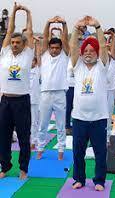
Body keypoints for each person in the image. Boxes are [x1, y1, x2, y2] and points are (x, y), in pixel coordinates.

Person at [69, 16, 109, 190]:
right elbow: (72, 47)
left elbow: (103, 46)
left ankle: (99, 181)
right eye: (86, 50)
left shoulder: (102, 67)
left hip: (99, 118)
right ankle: (79, 179)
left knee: (100, 152)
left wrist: (98, 26)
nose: (88, 53)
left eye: (92, 50)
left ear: (97, 53)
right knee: (78, 152)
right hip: (79, 118)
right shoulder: (77, 67)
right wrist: (76, 28)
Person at [0, 3, 34, 180]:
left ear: (23, 44)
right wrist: (13, 12)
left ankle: (23, 169)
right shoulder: (5, 53)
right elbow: (9, 29)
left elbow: (28, 31)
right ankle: (5, 167)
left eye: (17, 42)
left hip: (21, 101)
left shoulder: (27, 54)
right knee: (3, 137)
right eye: (12, 42)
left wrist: (27, 13)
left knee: (23, 137)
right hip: (5, 101)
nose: (14, 44)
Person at [37, 16, 69, 160]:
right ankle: (40, 148)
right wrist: (48, 22)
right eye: (52, 48)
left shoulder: (64, 55)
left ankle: (61, 150)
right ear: (49, 48)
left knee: (61, 125)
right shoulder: (44, 55)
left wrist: (63, 23)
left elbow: (66, 40)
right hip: (45, 94)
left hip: (60, 94)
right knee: (42, 124)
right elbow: (44, 38)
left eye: (57, 48)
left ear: (60, 48)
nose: (54, 50)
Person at [105, 30, 115, 144]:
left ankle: (107, 136)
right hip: (100, 90)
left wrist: (113, 36)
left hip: (110, 90)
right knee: (99, 113)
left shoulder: (114, 60)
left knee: (109, 113)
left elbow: (113, 50)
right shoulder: (100, 60)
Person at [30, 36, 41, 149]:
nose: (30, 62)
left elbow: (37, 55)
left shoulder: (37, 70)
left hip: (34, 100)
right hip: (23, 99)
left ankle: (34, 141)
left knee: (34, 122)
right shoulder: (23, 69)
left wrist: (37, 44)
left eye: (33, 61)